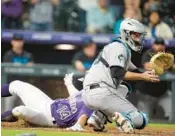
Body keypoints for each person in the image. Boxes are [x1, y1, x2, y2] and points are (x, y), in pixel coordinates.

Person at [82, 18, 160, 133]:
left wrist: (150, 74)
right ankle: (125, 119)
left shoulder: (120, 48)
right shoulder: (119, 47)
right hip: (101, 92)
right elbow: (117, 72)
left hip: (90, 93)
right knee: (142, 120)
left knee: (125, 88)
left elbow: (137, 73)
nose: (139, 38)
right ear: (126, 34)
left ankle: (98, 118)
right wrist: (143, 76)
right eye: (136, 35)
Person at [137, 37, 172, 119]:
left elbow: (173, 67)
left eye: (161, 44)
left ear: (164, 46)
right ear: (153, 45)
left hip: (163, 93)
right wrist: (162, 66)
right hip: (148, 94)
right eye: (157, 44)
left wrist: (169, 65)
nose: (159, 46)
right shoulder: (148, 53)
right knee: (143, 118)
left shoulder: (167, 55)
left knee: (172, 113)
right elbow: (147, 66)